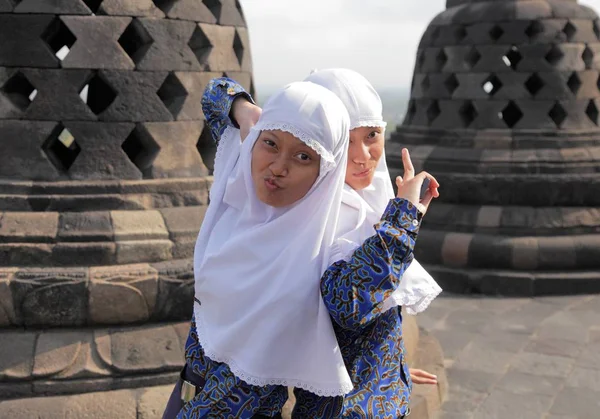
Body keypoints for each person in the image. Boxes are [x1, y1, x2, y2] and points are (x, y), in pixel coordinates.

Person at [220, 69, 442, 418]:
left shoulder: (373, 198)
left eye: (372, 135)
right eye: (347, 140)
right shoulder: (319, 215)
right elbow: (349, 304)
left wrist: (387, 366)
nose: (363, 155)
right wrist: (404, 217)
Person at [162, 80, 354, 418]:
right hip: (184, 397)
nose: (279, 167)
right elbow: (214, 93)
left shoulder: (325, 253)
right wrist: (245, 109)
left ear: (327, 171)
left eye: (303, 156)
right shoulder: (238, 196)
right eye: (270, 144)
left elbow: (326, 383)